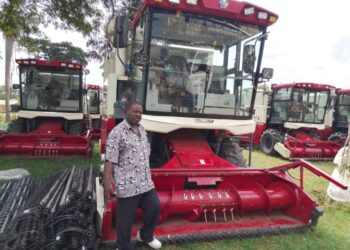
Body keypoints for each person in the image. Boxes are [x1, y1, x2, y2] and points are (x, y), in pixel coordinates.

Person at [104, 100, 162, 250]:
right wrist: (107, 184)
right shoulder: (117, 132)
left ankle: (145, 235)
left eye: (140, 112)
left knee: (154, 206)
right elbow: (110, 160)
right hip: (127, 184)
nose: (138, 114)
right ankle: (122, 246)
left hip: (145, 182)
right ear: (126, 112)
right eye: (135, 111)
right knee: (125, 220)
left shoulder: (142, 130)